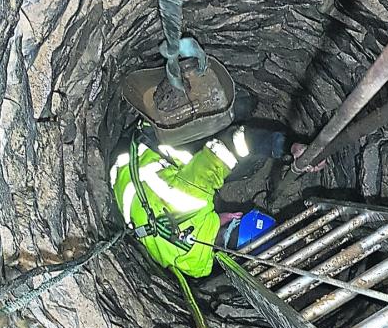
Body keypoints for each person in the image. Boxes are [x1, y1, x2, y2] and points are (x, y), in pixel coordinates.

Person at [110, 117, 324, 278]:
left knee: (240, 114)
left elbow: (232, 143)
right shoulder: (198, 269)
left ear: (235, 216)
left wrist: (288, 146)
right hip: (120, 187)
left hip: (132, 153)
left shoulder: (195, 195)